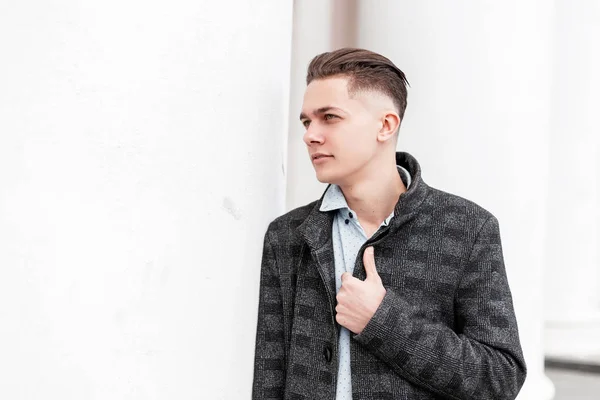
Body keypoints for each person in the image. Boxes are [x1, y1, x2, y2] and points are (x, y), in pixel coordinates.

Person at [252, 48, 526, 400]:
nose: (310, 135)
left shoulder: (468, 228)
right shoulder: (287, 235)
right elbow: (269, 376)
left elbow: (500, 379)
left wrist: (383, 320)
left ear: (385, 125)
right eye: (307, 122)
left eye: (330, 117)